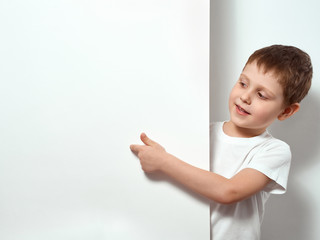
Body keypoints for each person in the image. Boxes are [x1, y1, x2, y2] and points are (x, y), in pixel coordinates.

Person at [129, 45, 313, 239]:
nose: (245, 97)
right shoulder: (202, 132)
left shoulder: (273, 150)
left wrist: (163, 161)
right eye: (243, 83)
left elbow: (229, 191)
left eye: (261, 95)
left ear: (286, 111)